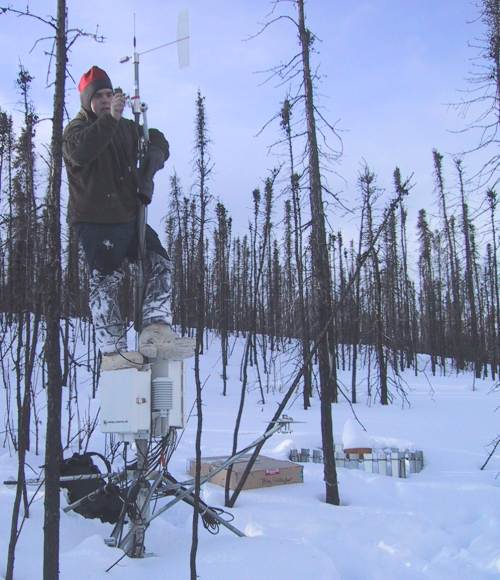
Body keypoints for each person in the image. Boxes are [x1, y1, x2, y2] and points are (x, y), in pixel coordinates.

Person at [63, 65, 175, 371]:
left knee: (161, 263)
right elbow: (84, 151)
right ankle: (114, 350)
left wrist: (155, 155)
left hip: (129, 215)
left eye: (108, 94)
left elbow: (155, 136)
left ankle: (155, 325)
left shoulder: (124, 127)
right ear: (87, 101)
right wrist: (111, 118)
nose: (104, 100)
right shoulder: (76, 132)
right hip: (97, 220)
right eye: (97, 96)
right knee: (106, 282)